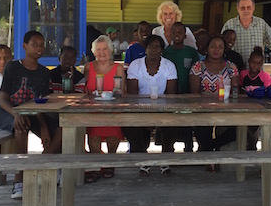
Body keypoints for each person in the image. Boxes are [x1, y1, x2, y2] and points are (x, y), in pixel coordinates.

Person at [0, 31, 61, 199]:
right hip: (9, 112)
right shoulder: (13, 67)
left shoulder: (43, 72)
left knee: (63, 128)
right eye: (34, 44)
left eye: (42, 45)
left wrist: (44, 127)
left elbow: (39, 103)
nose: (39, 48)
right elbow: (2, 99)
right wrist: (16, 113)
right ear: (25, 46)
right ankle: (19, 179)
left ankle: (38, 164)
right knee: (21, 125)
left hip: (33, 113)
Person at [124, 35, 178, 175]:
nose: (154, 50)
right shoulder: (136, 65)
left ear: (161, 49)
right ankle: (143, 159)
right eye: (150, 46)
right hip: (139, 107)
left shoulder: (169, 66)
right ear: (145, 48)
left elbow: (171, 95)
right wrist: (145, 114)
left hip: (164, 108)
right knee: (128, 126)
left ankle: (165, 160)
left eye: (157, 47)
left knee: (172, 125)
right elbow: (132, 94)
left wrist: (158, 114)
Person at [189, 36, 239, 169]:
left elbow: (235, 91)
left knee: (238, 128)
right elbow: (194, 94)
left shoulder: (231, 67)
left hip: (227, 109)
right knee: (202, 129)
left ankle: (210, 147)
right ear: (207, 48)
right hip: (203, 109)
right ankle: (209, 156)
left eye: (220, 47)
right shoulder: (198, 66)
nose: (216, 50)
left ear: (224, 50)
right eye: (213, 46)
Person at [83, 35, 126, 181]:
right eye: (98, 49)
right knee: (93, 131)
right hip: (92, 110)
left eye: (105, 49)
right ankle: (95, 165)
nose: (102, 52)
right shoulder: (89, 67)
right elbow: (85, 90)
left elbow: (122, 92)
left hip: (112, 109)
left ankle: (110, 163)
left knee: (113, 127)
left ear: (111, 50)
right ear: (94, 52)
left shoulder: (118, 68)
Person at [162, 22, 199, 153]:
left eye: (180, 32)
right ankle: (168, 151)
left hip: (187, 93)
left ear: (185, 35)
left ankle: (188, 149)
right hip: (169, 95)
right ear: (170, 34)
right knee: (170, 124)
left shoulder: (192, 52)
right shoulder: (165, 52)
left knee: (186, 123)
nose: (177, 34)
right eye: (174, 32)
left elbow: (197, 71)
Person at [220, 0, 271, 64]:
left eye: (249, 7)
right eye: (243, 8)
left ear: (253, 8)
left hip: (256, 72)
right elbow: (221, 46)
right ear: (237, 8)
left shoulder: (261, 23)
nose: (246, 10)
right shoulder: (229, 25)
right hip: (234, 71)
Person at [239, 46, 271, 150]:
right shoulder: (243, 74)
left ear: (261, 64)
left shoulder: (264, 76)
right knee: (243, 126)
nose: (255, 65)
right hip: (244, 106)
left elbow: (270, 90)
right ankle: (249, 145)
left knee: (253, 127)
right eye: (253, 62)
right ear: (249, 61)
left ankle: (252, 146)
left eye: (258, 63)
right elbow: (239, 88)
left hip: (259, 107)